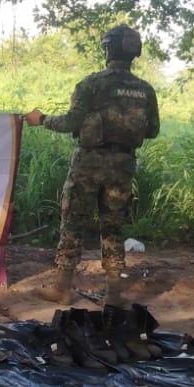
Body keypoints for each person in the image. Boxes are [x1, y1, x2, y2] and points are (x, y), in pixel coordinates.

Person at [22, 24, 159, 305]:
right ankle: (114, 294)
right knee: (113, 228)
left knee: (73, 223)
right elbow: (153, 130)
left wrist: (42, 119)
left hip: (89, 164)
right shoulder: (146, 90)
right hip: (123, 166)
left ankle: (62, 288)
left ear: (108, 50)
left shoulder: (92, 84)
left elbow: (70, 122)